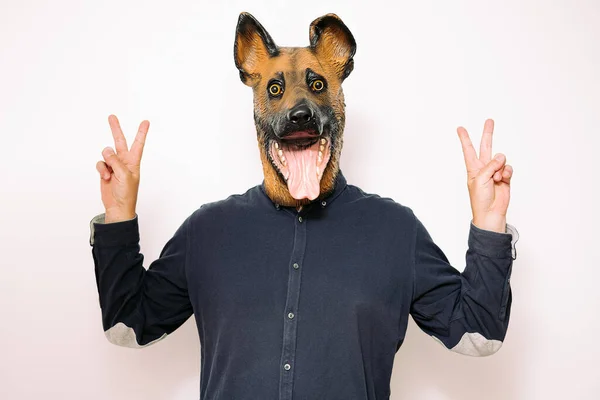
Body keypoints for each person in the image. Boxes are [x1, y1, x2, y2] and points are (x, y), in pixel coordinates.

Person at [89, 13, 518, 400]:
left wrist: (489, 225)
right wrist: (120, 215)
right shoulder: (207, 231)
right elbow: (128, 324)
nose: (298, 108)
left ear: (339, 92)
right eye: (276, 90)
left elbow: (478, 334)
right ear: (255, 102)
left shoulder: (395, 231)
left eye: (316, 86)